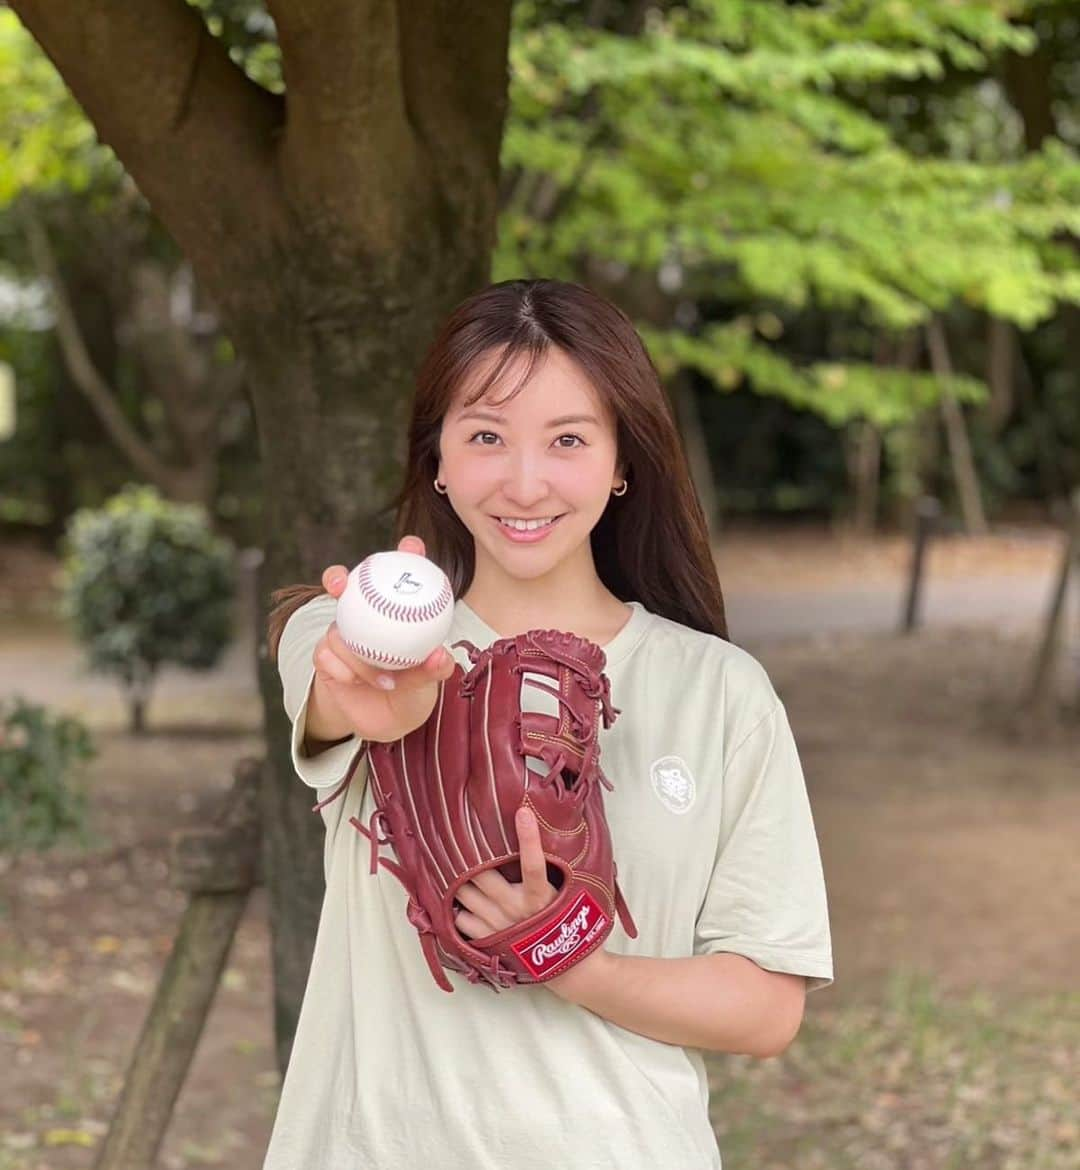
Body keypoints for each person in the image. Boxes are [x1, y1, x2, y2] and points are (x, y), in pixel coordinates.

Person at [261, 278, 833, 1169]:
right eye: (486, 436)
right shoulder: (346, 640)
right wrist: (389, 705)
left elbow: (766, 1010)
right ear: (438, 459)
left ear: (620, 461)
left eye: (567, 439)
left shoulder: (722, 693)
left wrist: (568, 958)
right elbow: (348, 692)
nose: (524, 482)